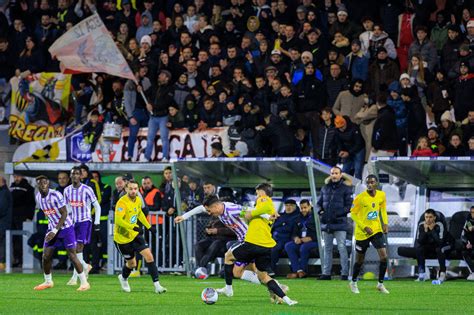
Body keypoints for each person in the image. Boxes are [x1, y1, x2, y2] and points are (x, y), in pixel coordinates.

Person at [216, 183, 298, 306]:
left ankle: (228, 288)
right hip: (265, 247)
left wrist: (251, 213)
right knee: (262, 276)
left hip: (252, 242)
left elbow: (259, 209)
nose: (256, 195)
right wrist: (248, 213)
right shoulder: (267, 210)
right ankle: (288, 300)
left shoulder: (263, 200)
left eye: (257, 192)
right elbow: (252, 213)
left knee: (229, 256)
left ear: (262, 192)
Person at [34, 175, 90, 291]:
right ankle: (48, 281)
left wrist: (55, 230)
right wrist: (52, 229)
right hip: (52, 229)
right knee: (46, 256)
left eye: (45, 183)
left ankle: (84, 283)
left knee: (72, 255)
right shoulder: (38, 197)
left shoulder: (56, 195)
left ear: (48, 183)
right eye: (40, 183)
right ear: (37, 185)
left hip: (66, 228)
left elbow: (64, 213)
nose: (43, 185)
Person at [114, 180, 166, 294]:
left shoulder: (138, 199)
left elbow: (139, 214)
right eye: (131, 189)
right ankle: (123, 278)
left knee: (149, 256)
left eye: (135, 189)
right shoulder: (122, 202)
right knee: (132, 264)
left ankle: (157, 286)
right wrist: (132, 227)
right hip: (122, 238)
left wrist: (149, 227)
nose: (133, 191)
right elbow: (118, 220)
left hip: (135, 235)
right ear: (126, 189)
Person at [349, 175, 389, 294]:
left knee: (384, 256)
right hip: (362, 233)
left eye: (372, 182)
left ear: (376, 183)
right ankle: (353, 282)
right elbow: (353, 214)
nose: (370, 184)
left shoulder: (381, 195)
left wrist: (385, 223)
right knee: (359, 260)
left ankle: (380, 284)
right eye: (368, 183)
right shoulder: (360, 198)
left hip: (376, 230)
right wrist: (364, 226)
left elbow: (383, 209)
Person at [63, 167, 101, 285]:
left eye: (77, 174)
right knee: (72, 250)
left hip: (85, 221)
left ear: (81, 176)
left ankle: (76, 278)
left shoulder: (87, 189)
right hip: (73, 222)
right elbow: (68, 207)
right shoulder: (67, 190)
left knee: (78, 248)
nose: (75, 176)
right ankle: (85, 266)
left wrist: (97, 222)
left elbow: (97, 206)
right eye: (73, 174)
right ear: (70, 176)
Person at [317, 167, 353, 280]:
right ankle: (326, 273)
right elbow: (318, 203)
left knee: (341, 248)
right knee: (327, 248)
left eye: (336, 173)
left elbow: (349, 207)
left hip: (340, 223)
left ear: (341, 175)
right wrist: (320, 211)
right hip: (327, 224)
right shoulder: (324, 188)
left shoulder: (346, 189)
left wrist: (335, 214)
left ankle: (344, 274)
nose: (334, 175)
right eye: (332, 173)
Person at [284, 199, 318, 279]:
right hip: (301, 241)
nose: (303, 210)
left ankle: (303, 271)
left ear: (310, 206)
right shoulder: (298, 218)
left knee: (304, 247)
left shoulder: (316, 217)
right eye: (301, 208)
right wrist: (295, 238)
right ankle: (298, 271)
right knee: (289, 246)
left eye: (305, 208)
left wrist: (311, 238)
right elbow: (294, 232)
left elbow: (321, 233)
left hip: (314, 241)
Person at [415, 209, 451, 282]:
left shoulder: (439, 224)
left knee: (440, 249)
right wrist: (425, 231)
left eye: (430, 217)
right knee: (419, 249)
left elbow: (440, 242)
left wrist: (432, 230)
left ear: (434, 217)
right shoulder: (421, 224)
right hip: (428, 247)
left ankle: (442, 273)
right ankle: (422, 273)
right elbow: (420, 241)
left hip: (440, 246)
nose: (428, 219)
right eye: (426, 217)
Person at [10, 174, 35, 267]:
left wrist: (29, 216)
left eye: (18, 176)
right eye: (15, 176)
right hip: (12, 217)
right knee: (14, 239)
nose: (16, 178)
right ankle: (17, 259)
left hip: (22, 217)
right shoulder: (12, 187)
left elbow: (31, 203)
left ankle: (23, 260)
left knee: (22, 240)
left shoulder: (28, 188)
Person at [270, 199, 300, 274]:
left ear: (295, 206)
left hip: (287, 239)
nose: (288, 207)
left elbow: (291, 230)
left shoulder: (297, 217)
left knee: (275, 248)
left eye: (291, 205)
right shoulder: (280, 216)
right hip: (274, 238)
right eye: (286, 205)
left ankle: (270, 270)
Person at [0, 176, 12, 271]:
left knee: (2, 243)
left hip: (3, 223)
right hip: (4, 223)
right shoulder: (4, 192)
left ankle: (2, 262)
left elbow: (1, 208)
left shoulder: (4, 193)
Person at [462, 206, 474, 280]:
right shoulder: (468, 220)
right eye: (472, 212)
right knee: (464, 252)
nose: (473, 214)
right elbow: (470, 229)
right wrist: (467, 243)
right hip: (471, 244)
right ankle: (473, 272)